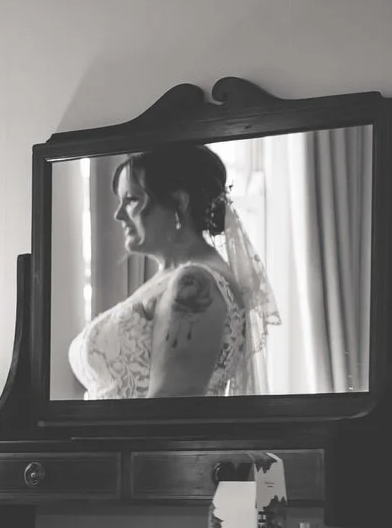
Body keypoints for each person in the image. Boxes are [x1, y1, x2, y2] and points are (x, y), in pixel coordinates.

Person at [69, 141, 271, 399]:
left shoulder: (195, 283)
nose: (119, 215)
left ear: (179, 202)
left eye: (132, 199)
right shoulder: (169, 277)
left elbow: (167, 412)